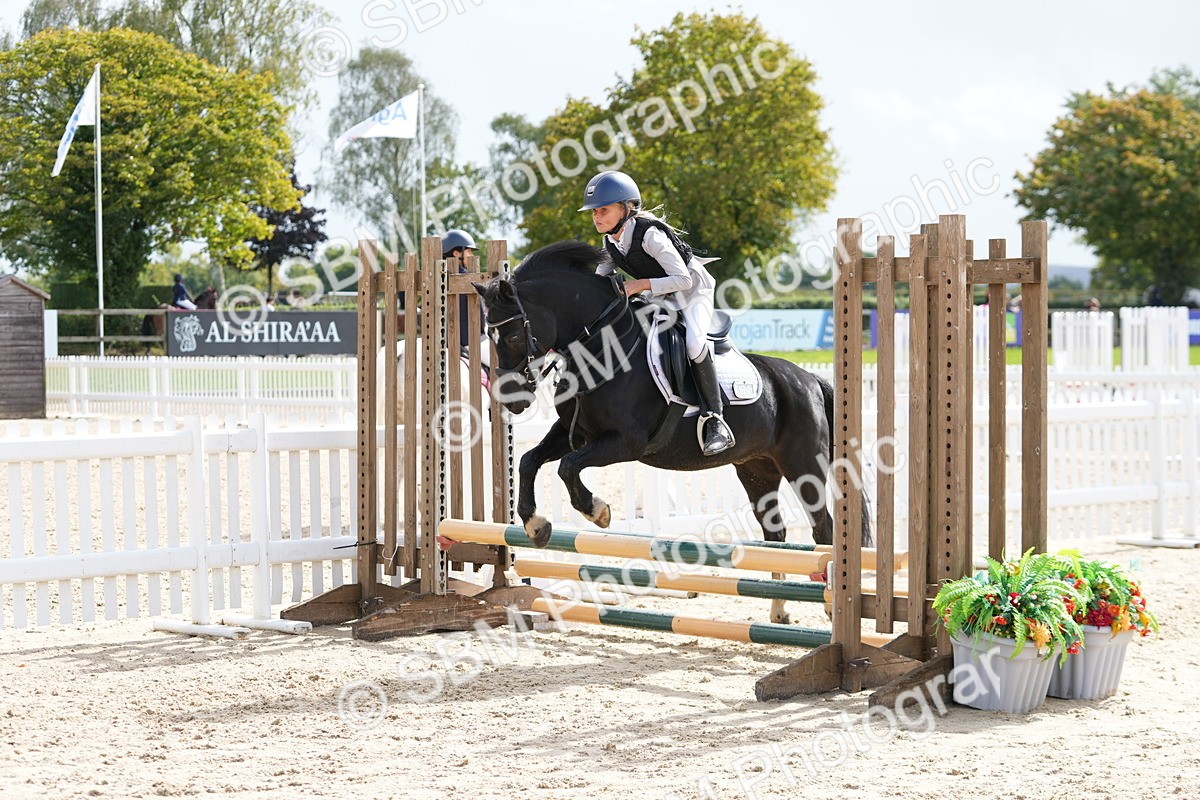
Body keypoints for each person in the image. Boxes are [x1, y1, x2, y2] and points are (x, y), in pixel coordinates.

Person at [579, 170, 735, 456]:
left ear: (626, 208)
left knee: (694, 343)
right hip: (662, 297)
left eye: (603, 210)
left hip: (693, 294)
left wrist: (638, 285)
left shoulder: (650, 235)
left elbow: (683, 279)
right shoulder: (610, 242)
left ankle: (715, 419)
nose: (597, 217)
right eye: (594, 212)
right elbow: (598, 282)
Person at [443, 229, 486, 349]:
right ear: (456, 253)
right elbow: (481, 314)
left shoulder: (438, 275)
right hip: (469, 340)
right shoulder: (467, 277)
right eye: (469, 252)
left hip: (444, 339)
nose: (472, 256)